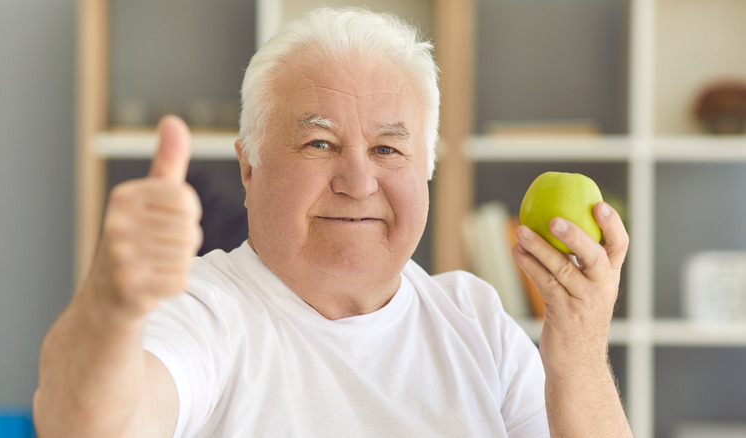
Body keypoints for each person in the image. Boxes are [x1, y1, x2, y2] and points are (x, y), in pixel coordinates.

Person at [34, 7, 632, 437]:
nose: (358, 181)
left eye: (389, 150)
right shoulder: (202, 310)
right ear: (250, 168)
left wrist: (579, 351)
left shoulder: (474, 318)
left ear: (426, 170)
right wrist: (110, 305)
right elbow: (85, 425)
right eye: (319, 143)